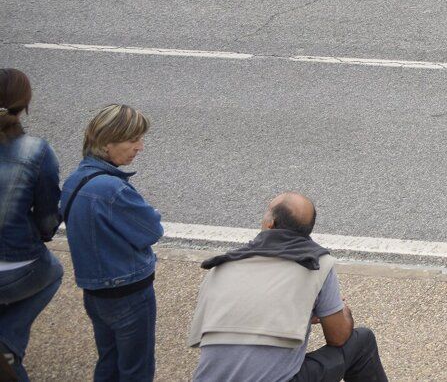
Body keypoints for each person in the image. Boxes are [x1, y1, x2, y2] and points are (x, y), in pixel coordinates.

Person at [186, 192, 387, 382]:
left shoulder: (221, 268)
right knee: (363, 341)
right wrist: (341, 311)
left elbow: (246, 312)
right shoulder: (316, 264)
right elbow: (338, 337)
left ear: (270, 223)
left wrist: (303, 312)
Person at [61, 105, 163, 382]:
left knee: (109, 360)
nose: (140, 147)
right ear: (107, 142)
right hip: (129, 291)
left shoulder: (74, 181)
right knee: (136, 368)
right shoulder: (113, 189)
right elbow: (152, 230)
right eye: (133, 140)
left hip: (95, 292)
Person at [0, 69, 63, 382]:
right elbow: (47, 218)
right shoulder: (35, 150)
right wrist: (42, 235)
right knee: (53, 271)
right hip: (17, 266)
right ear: (24, 104)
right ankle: (8, 342)